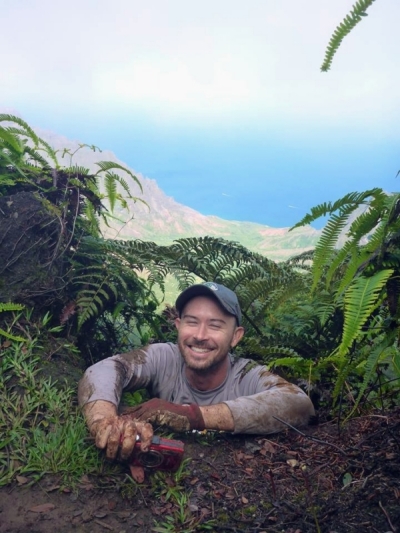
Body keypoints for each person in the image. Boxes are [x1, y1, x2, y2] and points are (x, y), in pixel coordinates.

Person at [78, 282, 315, 462]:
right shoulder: (165, 357)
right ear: (178, 327)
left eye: (215, 325)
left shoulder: (247, 375)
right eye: (192, 322)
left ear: (236, 336)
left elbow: (298, 403)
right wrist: (103, 421)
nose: (200, 335)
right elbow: (105, 369)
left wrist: (193, 415)